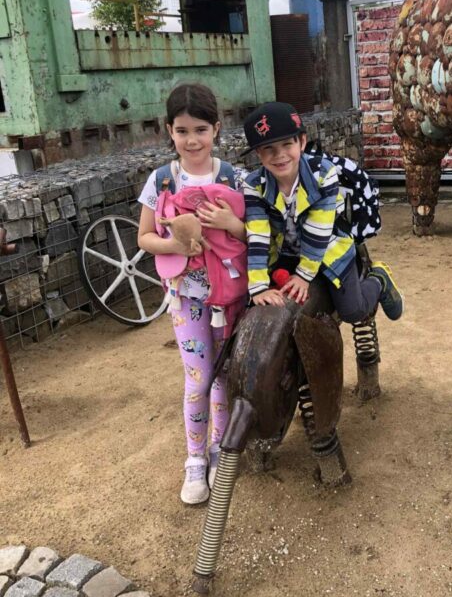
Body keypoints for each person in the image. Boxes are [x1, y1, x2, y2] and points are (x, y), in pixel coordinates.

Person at [137, 83, 246, 505]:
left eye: (200, 129)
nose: (192, 140)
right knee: (198, 378)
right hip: (186, 297)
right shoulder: (161, 179)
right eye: (182, 131)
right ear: (169, 131)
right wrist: (178, 246)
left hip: (229, 294)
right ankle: (195, 459)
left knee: (223, 374)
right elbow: (145, 237)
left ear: (216, 128)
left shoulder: (233, 177)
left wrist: (229, 223)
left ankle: (219, 450)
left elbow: (253, 233)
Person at [242, 101, 404, 321]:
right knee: (248, 305)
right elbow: (258, 235)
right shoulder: (254, 185)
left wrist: (303, 276)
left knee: (353, 311)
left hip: (328, 246)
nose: (279, 155)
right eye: (269, 148)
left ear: (302, 142)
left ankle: (379, 279)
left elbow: (318, 231)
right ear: (258, 153)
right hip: (285, 253)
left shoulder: (323, 174)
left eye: (287, 144)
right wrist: (258, 287)